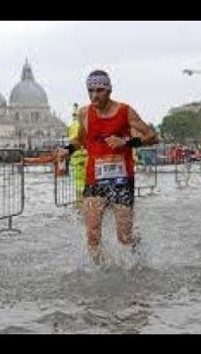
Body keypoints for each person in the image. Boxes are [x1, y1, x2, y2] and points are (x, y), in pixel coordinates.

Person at [57, 70, 159, 263]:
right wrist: (68, 149)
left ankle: (136, 250)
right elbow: (80, 140)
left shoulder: (125, 111)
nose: (95, 95)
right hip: (94, 179)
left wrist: (126, 143)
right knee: (93, 233)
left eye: (100, 90)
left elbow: (152, 137)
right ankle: (100, 272)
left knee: (124, 237)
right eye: (91, 91)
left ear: (109, 90)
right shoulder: (84, 113)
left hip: (121, 180)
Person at [68, 103, 87, 205]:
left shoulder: (73, 126)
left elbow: (73, 142)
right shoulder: (88, 124)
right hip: (87, 158)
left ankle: (80, 205)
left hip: (78, 158)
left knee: (79, 185)